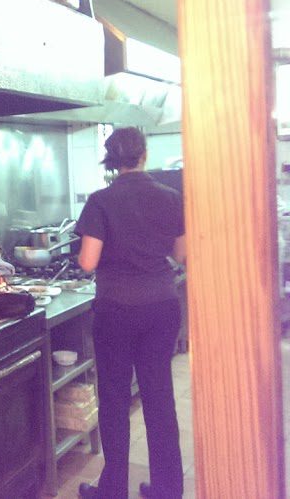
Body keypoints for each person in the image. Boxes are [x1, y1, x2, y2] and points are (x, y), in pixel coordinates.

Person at [74, 127, 186, 499]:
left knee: (114, 401)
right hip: (161, 308)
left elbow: (88, 262)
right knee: (160, 398)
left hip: (116, 311)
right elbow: (180, 254)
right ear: (144, 154)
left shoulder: (100, 201)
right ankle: (167, 489)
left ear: (111, 161)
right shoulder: (171, 197)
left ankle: (112, 490)